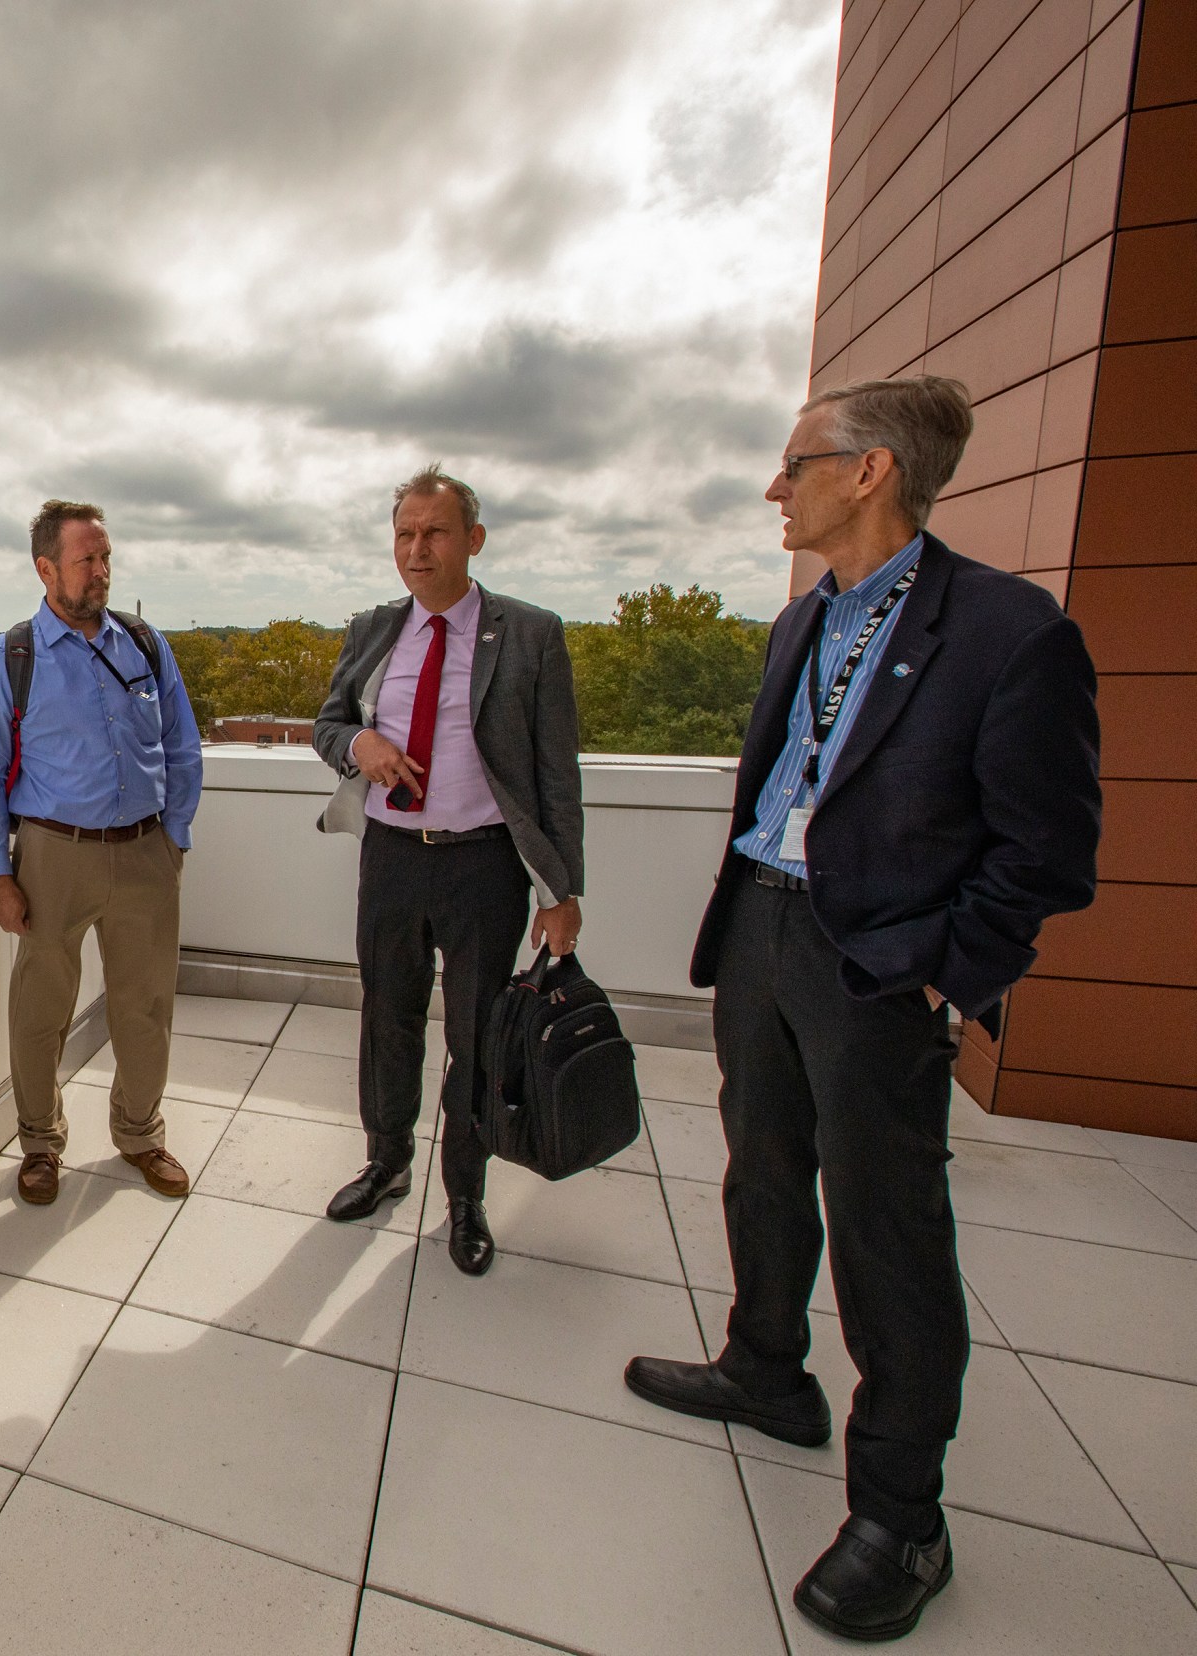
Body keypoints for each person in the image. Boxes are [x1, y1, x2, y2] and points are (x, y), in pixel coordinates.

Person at [625, 376, 1100, 1642]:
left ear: (869, 472)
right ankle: (765, 1368)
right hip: (764, 934)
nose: (776, 488)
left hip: (876, 965)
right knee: (760, 1169)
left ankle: (901, 1515)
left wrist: (944, 971)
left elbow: (1046, 849)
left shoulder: (1006, 633)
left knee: (888, 1230)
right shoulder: (802, 624)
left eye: (795, 465)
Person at [312, 465, 584, 1276]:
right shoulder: (371, 630)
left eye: (433, 532)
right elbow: (328, 725)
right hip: (391, 861)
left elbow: (556, 772)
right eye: (403, 533)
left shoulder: (530, 635)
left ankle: (465, 1195)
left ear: (474, 539)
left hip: (484, 869)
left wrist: (563, 890)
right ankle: (386, 1161)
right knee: (386, 1020)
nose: (415, 549)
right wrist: (357, 745)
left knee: (475, 1038)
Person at [0, 500, 204, 1205]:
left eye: (105, 558)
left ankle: (140, 1134)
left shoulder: (144, 644)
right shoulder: (6, 660)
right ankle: (39, 1145)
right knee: (41, 1010)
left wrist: (175, 835)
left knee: (146, 1004)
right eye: (84, 560)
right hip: (52, 857)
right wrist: (0, 876)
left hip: (147, 854)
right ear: (45, 568)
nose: (100, 573)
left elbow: (182, 746)